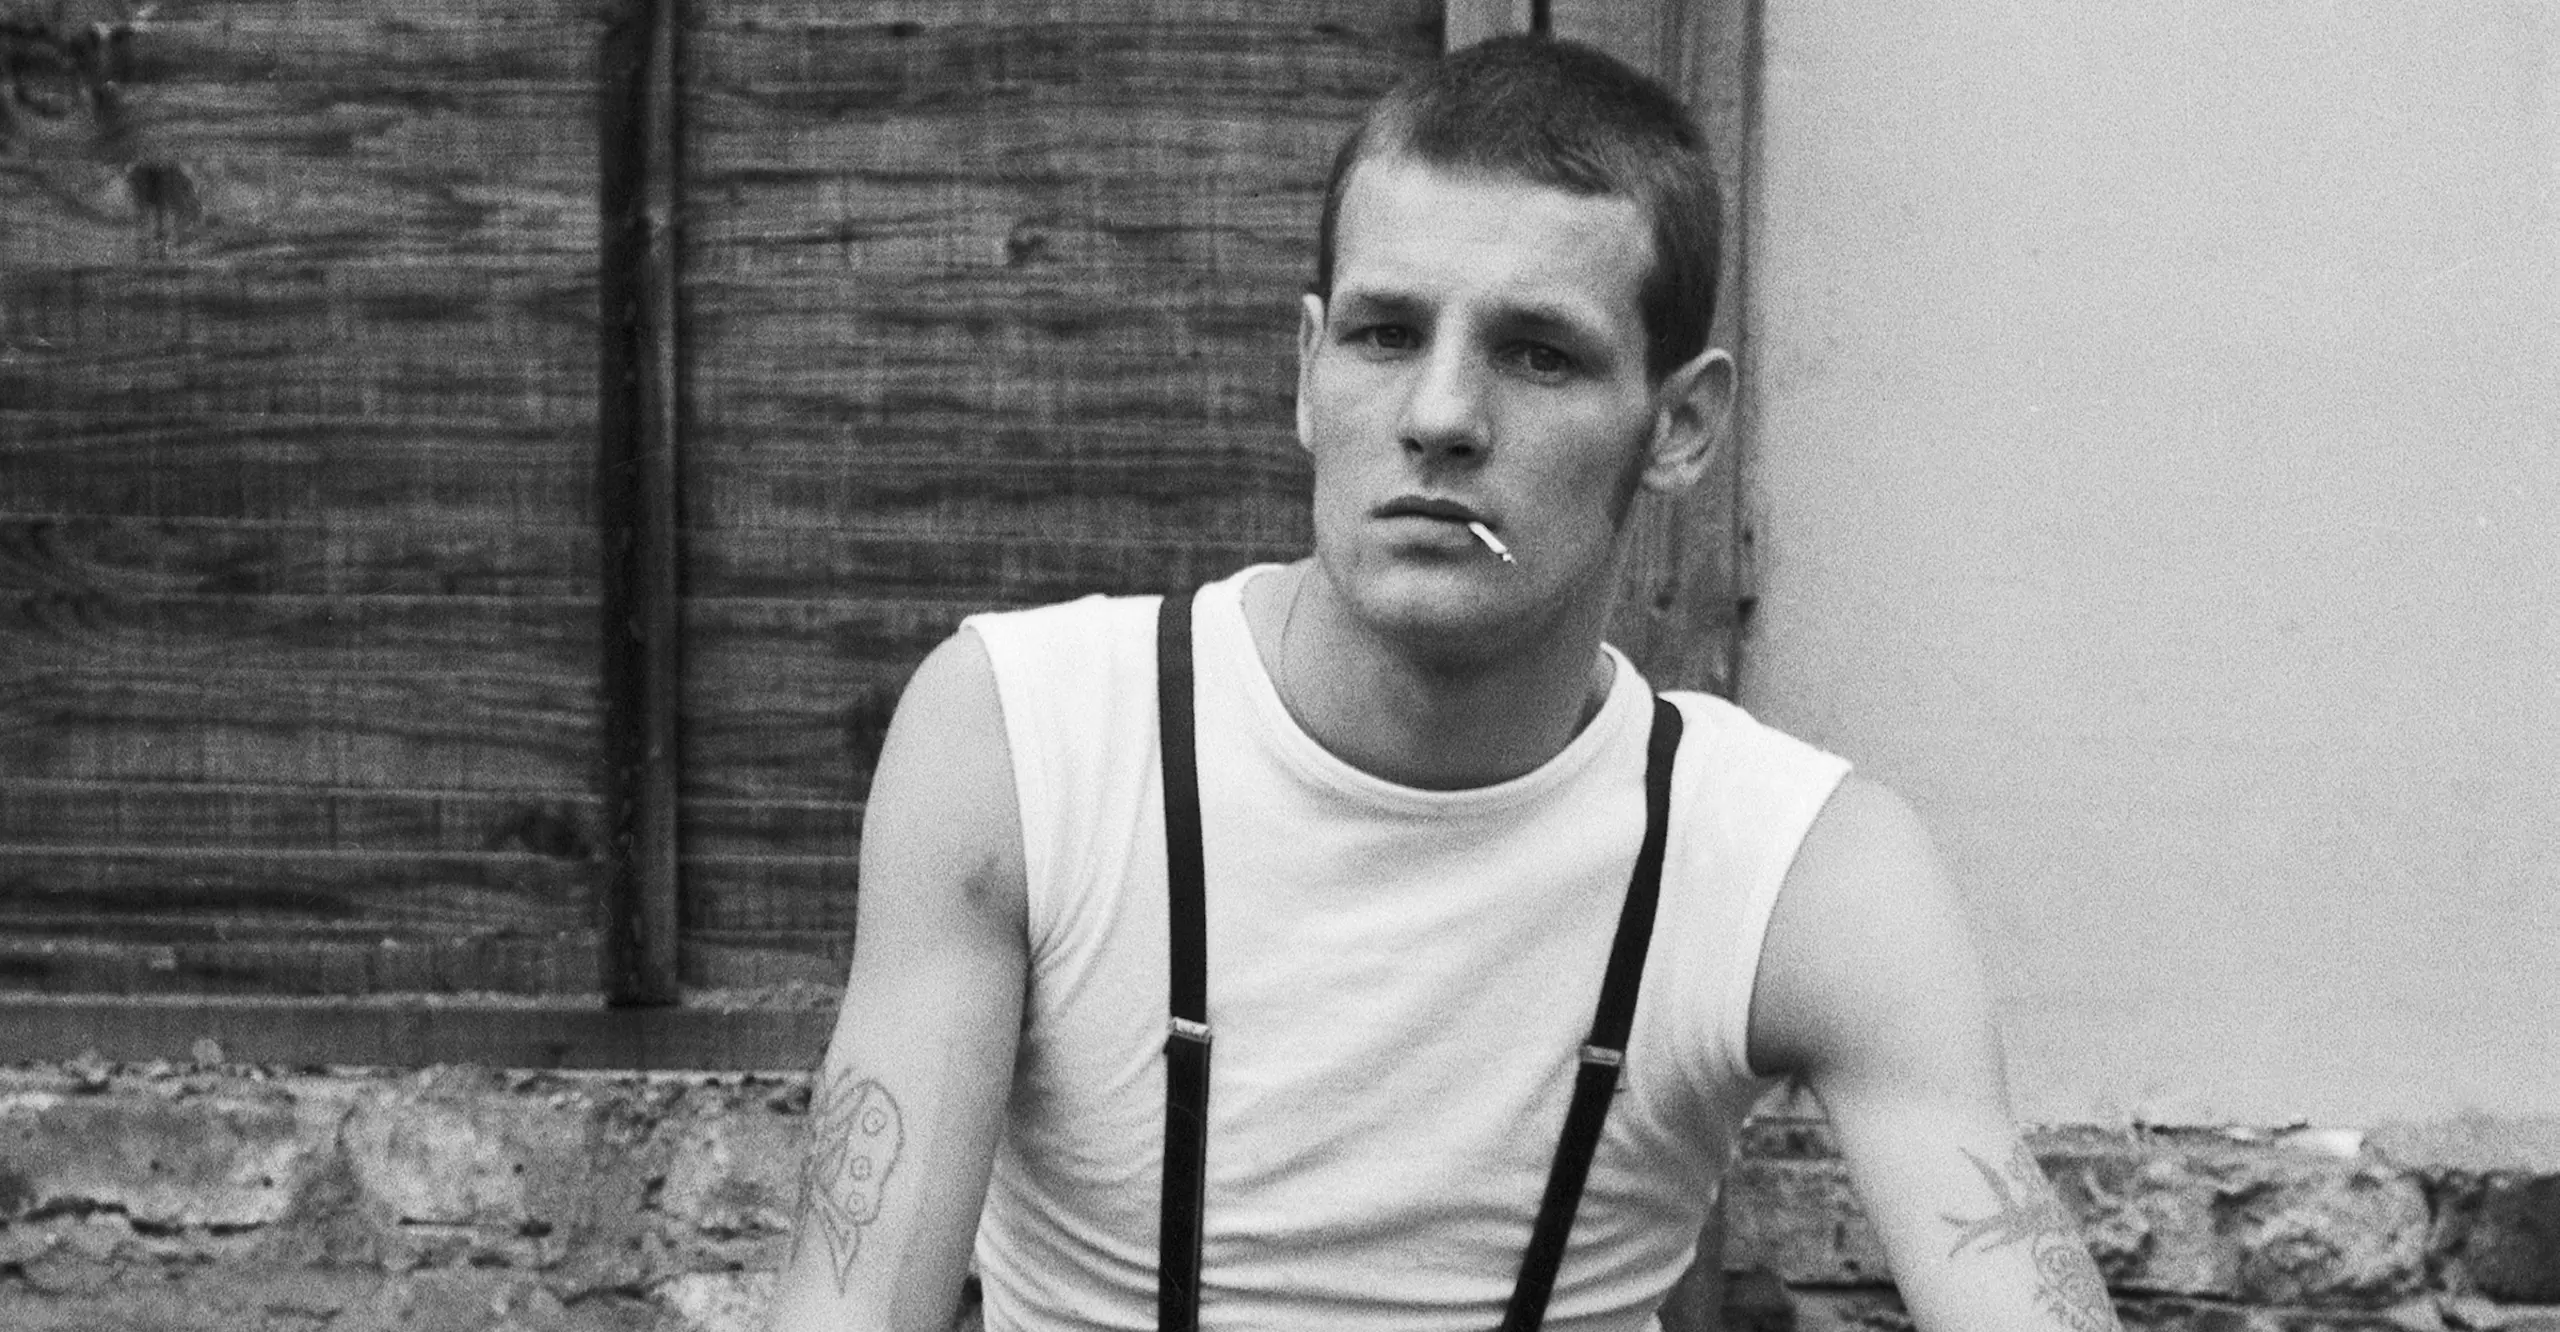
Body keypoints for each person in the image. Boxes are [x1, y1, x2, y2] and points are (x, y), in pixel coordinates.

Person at [768, 34, 2119, 1332]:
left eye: (1539, 352)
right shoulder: (1028, 739)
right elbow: (853, 1302)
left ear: (1681, 424)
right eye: (1385, 334)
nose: (1441, 415)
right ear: (1305, 374)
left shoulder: (1798, 869)